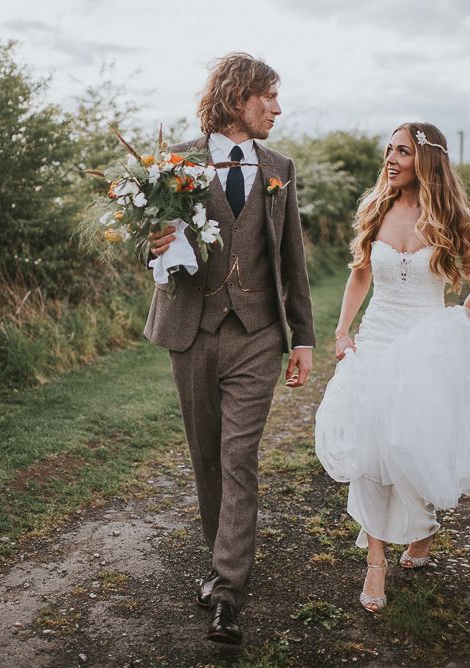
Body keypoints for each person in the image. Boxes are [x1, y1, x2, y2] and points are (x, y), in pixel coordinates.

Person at [314, 122, 470, 612]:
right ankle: (376, 563)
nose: (390, 159)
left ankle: (422, 529)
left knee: (413, 444)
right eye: (388, 150)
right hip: (380, 341)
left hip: (426, 344)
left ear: (424, 160)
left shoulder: (450, 220)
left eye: (402, 151)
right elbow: (360, 277)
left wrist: (452, 330)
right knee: (371, 447)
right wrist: (344, 332)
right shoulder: (376, 210)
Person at [145, 53, 315, 644]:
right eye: (268, 95)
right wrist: (153, 243)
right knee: (207, 456)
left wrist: (304, 339)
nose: (277, 107)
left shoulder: (280, 169)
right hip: (191, 331)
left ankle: (227, 588)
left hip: (259, 335)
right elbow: (150, 246)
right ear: (237, 97)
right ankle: (224, 559)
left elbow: (292, 259)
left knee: (239, 457)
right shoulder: (176, 163)